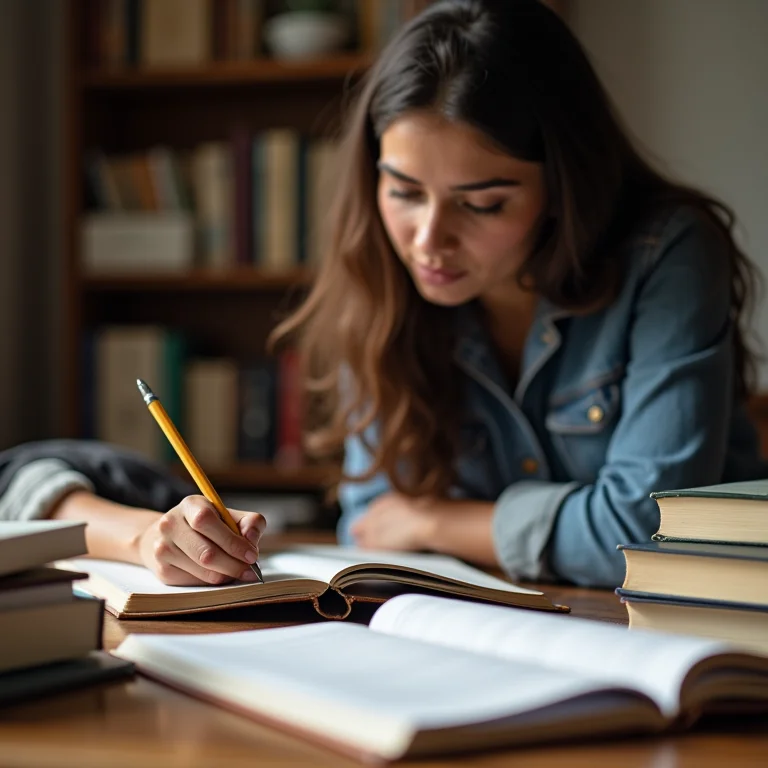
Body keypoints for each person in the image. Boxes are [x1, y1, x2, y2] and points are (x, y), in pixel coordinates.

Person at [0, 0, 764, 588]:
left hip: (673, 642)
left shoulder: (666, 253)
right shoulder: (382, 273)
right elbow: (372, 523)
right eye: (404, 191)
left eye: (483, 202)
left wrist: (436, 519)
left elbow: (654, 531)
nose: (428, 239)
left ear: (566, 188)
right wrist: (441, 526)